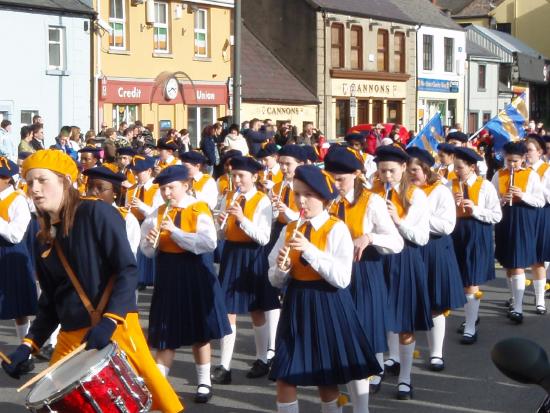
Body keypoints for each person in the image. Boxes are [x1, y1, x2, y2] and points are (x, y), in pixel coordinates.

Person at [1, 150, 183, 413]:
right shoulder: (43, 235)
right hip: (70, 335)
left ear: (65, 181)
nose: (35, 189)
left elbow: (126, 270)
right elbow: (51, 299)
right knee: (54, 405)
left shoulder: (97, 213)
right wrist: (29, 345)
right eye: (30, 183)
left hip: (115, 326)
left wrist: (110, 320)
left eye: (42, 180)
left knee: (150, 404)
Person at [268, 164, 381, 413]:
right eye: (297, 194)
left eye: (308, 195)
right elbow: (274, 280)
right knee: (285, 374)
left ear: (323, 198)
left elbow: (341, 278)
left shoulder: (335, 228)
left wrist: (309, 250)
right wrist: (282, 268)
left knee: (325, 378)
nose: (301, 201)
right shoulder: (289, 229)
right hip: (297, 302)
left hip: (328, 303)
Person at [140, 165, 231, 403]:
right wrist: (152, 242)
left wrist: (175, 232)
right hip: (168, 274)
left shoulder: (198, 208)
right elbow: (147, 252)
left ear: (185, 186)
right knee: (165, 331)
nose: (166, 193)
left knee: (200, 332)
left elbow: (208, 242)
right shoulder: (157, 213)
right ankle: (159, 387)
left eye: (171, 188)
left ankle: (204, 381)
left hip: (194, 272)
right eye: (163, 189)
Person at [325, 146, 403, 395]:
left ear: (357, 175)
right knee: (341, 323)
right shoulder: (326, 200)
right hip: (334, 269)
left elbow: (396, 242)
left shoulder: (372, 201)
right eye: (332, 178)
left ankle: (375, 368)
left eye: (341, 179)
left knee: (367, 321)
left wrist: (369, 237)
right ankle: (346, 366)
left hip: (364, 270)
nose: (336, 184)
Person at [212, 156, 279, 384]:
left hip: (253, 256)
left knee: (256, 309)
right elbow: (221, 235)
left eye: (241, 176)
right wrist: (220, 224)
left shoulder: (262, 201)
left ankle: (262, 358)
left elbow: (263, 237)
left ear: (254, 177)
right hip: (232, 253)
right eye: (234, 175)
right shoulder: (228, 197)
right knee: (227, 309)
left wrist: (241, 219)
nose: (237, 180)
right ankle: (225, 365)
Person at [372, 145, 432, 400]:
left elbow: (422, 237)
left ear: (404, 168)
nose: (386, 176)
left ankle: (405, 377)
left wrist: (398, 220)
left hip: (406, 259)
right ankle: (376, 370)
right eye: (382, 171)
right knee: (376, 317)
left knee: (405, 321)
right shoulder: (371, 194)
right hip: (376, 259)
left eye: (392, 171)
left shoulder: (416, 195)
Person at [406, 147, 465, 371]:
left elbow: (447, 225)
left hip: (434, 247)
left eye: (415, 170)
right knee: (408, 302)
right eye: (409, 170)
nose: (412, 174)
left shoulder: (440, 191)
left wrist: (419, 215)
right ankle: (397, 355)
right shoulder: (404, 190)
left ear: (425, 169)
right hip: (409, 246)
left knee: (435, 302)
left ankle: (436, 353)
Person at [450, 147, 502, 344]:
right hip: (455, 233)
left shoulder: (484, 186)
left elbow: (496, 215)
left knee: (471, 280)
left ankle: (470, 326)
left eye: (460, 168)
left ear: (472, 167)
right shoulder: (449, 185)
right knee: (461, 279)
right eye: (455, 167)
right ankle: (471, 316)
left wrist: (475, 209)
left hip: (476, 232)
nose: (456, 171)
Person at [492, 141, 544, 324]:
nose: (511, 165)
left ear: (523, 159)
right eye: (508, 161)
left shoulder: (531, 175)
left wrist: (522, 195)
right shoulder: (499, 174)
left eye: (515, 161)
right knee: (507, 262)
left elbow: (539, 201)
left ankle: (519, 307)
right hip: (505, 217)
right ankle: (514, 298)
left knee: (518, 261)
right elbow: (491, 200)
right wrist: (501, 199)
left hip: (523, 217)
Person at [0, 156, 37, 373]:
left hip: (11, 254)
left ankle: (26, 354)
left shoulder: (17, 200)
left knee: (18, 307)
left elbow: (15, 235)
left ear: (6, 178)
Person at [83, 166, 140, 257]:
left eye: (100, 188)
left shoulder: (127, 219)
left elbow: (130, 255)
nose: (93, 192)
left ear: (115, 193)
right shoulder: (80, 214)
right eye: (89, 187)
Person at [126, 155, 163, 289]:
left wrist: (140, 205)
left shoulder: (158, 189)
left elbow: (156, 213)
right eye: (134, 172)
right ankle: (138, 279)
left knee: (148, 251)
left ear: (149, 171)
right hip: (135, 225)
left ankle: (150, 279)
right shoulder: (131, 189)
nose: (135, 176)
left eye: (138, 172)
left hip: (149, 226)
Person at [525, 136, 550, 314]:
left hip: (542, 215)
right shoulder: (521, 170)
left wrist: (537, 186)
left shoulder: (546, 170)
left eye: (530, 150)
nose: (527, 154)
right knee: (518, 260)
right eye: (525, 150)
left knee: (538, 258)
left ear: (540, 152)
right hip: (525, 215)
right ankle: (515, 298)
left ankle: (540, 299)